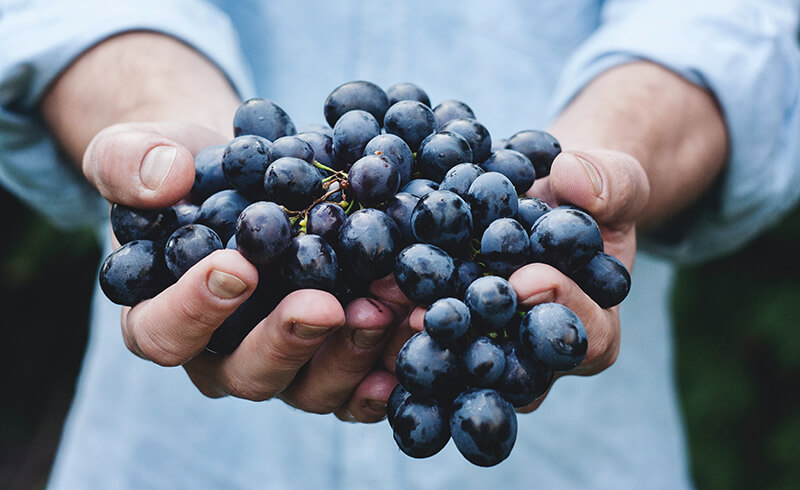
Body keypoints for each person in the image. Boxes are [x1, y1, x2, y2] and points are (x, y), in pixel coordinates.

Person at [1, 1, 799, 488]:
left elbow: (728, 18)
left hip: (577, 458)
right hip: (177, 459)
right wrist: (162, 134)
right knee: (235, 281)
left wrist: (607, 157)